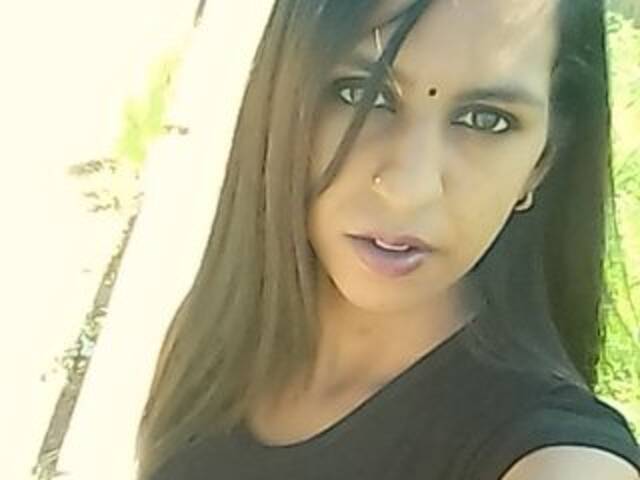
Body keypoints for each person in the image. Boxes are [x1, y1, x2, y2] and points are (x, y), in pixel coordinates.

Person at [135, 0, 640, 478]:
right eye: (363, 93)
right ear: (283, 96)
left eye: (486, 120)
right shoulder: (223, 343)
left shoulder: (559, 456)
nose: (408, 187)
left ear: (541, 162)